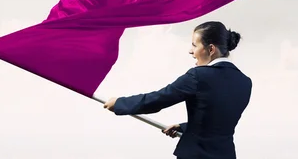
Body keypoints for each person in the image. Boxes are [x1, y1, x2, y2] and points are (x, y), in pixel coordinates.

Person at [103, 21, 252, 159]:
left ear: (211, 49)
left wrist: (119, 103)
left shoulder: (198, 76)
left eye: (194, 45)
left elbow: (158, 100)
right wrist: (186, 127)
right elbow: (218, 121)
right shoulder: (245, 82)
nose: (190, 51)